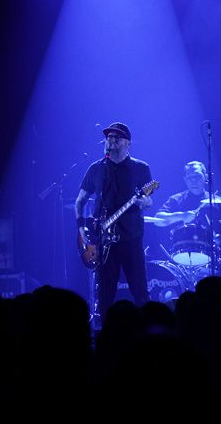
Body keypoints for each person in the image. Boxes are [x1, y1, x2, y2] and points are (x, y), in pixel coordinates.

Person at [74, 122, 152, 321]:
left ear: (128, 143)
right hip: (103, 242)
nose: (111, 140)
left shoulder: (141, 168)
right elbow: (80, 201)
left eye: (117, 138)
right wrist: (81, 227)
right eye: (109, 137)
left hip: (132, 238)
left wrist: (146, 202)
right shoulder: (96, 168)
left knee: (140, 293)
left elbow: (149, 201)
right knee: (105, 296)